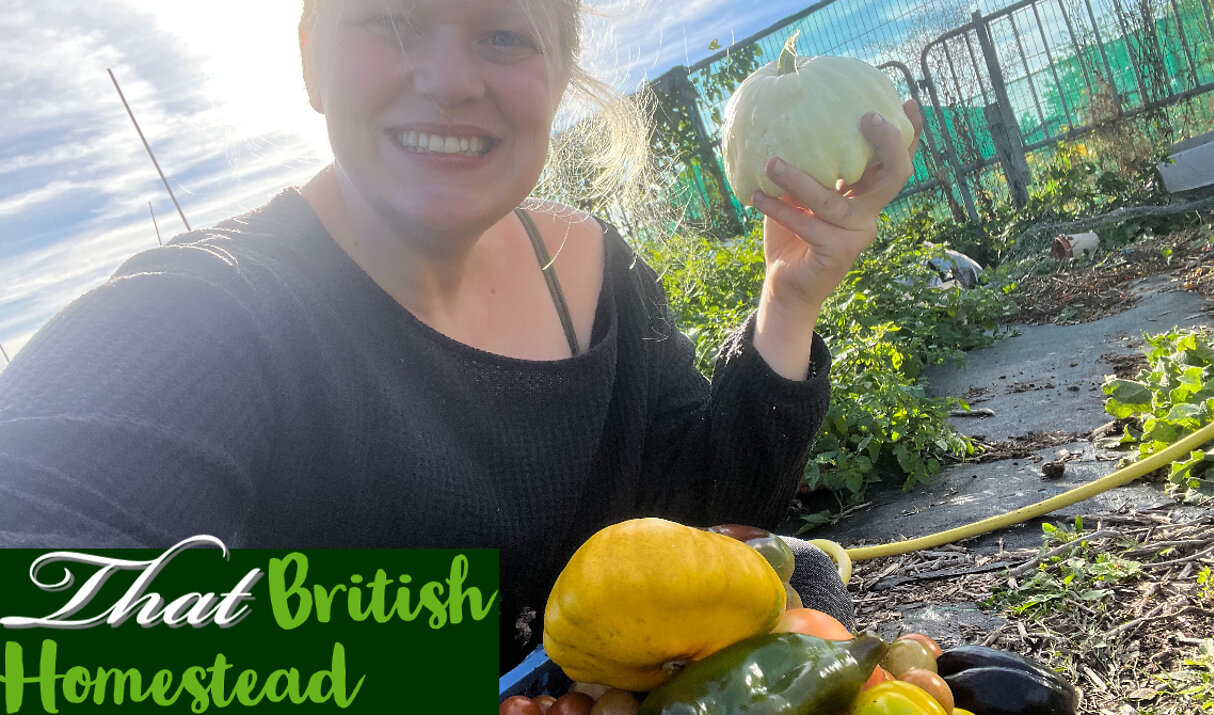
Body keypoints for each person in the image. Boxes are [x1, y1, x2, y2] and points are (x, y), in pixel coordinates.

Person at [0, 0, 921, 670]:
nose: (447, 80)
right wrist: (478, 654)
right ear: (312, 55)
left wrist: (788, 300)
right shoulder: (203, 313)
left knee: (801, 573)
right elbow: (31, 623)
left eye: (502, 33)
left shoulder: (600, 275)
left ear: (556, 75)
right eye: (393, 21)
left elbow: (717, 518)